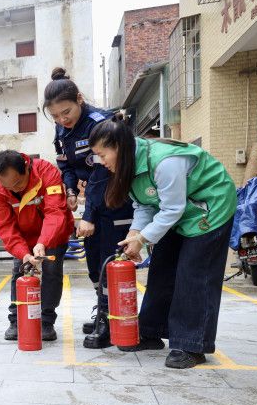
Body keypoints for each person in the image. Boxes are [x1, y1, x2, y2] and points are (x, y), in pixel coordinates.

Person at [89, 116, 237, 369]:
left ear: (120, 147)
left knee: (194, 274)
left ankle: (192, 344)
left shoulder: (164, 162)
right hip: (180, 212)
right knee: (162, 268)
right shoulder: (131, 165)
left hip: (210, 208)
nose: (101, 163)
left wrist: (143, 239)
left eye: (103, 155)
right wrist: (135, 235)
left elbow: (172, 209)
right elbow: (143, 205)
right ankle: (151, 331)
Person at [45, 67, 134, 348]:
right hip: (93, 201)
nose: (62, 120)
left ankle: (112, 321)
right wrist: (70, 190)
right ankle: (104, 311)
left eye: (66, 112)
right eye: (56, 116)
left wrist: (90, 215)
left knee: (110, 260)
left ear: (80, 99)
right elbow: (66, 165)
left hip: (115, 202)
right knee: (94, 261)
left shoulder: (100, 123)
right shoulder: (62, 130)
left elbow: (101, 174)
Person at [0, 151, 74, 342]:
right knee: (20, 271)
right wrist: (23, 253)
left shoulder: (46, 172)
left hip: (53, 233)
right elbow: (5, 226)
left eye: (18, 183)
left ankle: (46, 319)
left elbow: (55, 212)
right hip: (23, 238)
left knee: (51, 271)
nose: (15, 190)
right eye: (7, 186)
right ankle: (16, 319)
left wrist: (43, 242)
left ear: (27, 167)